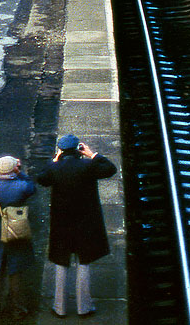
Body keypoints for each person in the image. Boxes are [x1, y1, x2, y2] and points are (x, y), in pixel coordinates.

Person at [36, 134, 118, 319]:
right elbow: (111, 169)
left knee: (61, 263)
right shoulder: (88, 166)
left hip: (62, 223)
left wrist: (54, 160)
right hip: (85, 222)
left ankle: (60, 307)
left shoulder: (55, 168)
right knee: (84, 262)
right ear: (77, 149)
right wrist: (92, 154)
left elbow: (42, 178)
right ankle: (84, 306)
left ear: (61, 150)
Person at [0, 155, 37, 321]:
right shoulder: (21, 187)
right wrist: (20, 173)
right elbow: (31, 187)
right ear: (15, 169)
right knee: (15, 270)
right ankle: (19, 309)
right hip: (16, 230)